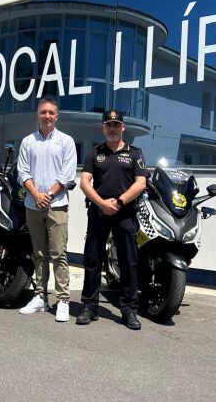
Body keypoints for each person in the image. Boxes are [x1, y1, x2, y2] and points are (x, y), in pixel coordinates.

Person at [77, 110, 147, 330]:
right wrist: (102, 203)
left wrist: (118, 202)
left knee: (128, 261)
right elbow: (85, 183)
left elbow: (140, 183)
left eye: (116, 124)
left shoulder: (135, 153)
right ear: (103, 128)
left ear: (123, 127)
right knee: (93, 260)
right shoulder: (94, 153)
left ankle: (129, 310)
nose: (113, 128)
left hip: (124, 214)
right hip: (98, 213)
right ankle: (89, 306)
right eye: (109, 125)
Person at [16, 98, 77, 322]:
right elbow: (22, 171)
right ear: (37, 115)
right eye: (43, 112)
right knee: (39, 254)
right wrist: (36, 194)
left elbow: (67, 174)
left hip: (56, 205)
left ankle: (63, 300)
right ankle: (41, 297)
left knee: (58, 253)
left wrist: (48, 195)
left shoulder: (66, 141)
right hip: (33, 205)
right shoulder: (27, 142)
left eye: (51, 112)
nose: (47, 116)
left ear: (57, 116)